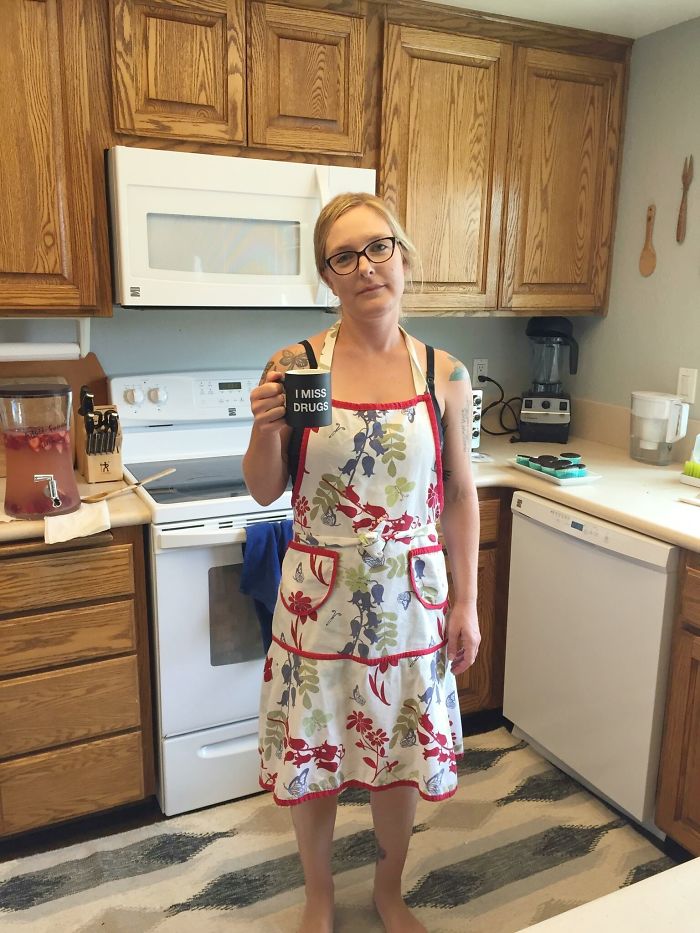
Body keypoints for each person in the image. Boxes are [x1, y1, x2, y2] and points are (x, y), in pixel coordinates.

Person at [243, 192, 480, 933]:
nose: (365, 267)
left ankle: (388, 888)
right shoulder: (298, 365)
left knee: (399, 751)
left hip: (411, 598)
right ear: (328, 275)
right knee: (313, 750)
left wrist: (465, 602)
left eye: (377, 247)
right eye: (344, 256)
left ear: (403, 256)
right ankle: (319, 894)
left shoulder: (445, 373)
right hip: (320, 598)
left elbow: (461, 496)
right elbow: (265, 487)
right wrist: (262, 429)